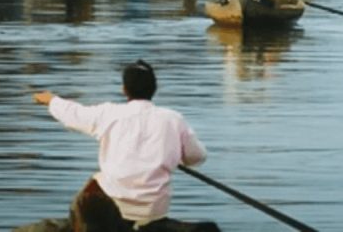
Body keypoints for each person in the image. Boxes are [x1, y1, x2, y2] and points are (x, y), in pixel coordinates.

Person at [33, 60, 210, 232]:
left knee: (89, 193)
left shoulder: (109, 114)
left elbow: (73, 113)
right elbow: (197, 157)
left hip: (113, 207)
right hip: (154, 211)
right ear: (154, 89)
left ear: (124, 89)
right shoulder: (174, 120)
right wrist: (175, 152)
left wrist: (51, 100)